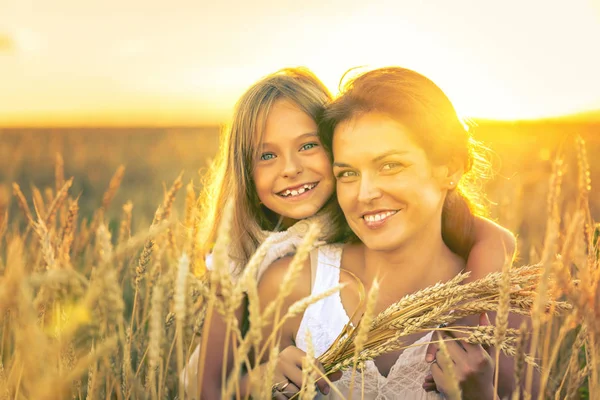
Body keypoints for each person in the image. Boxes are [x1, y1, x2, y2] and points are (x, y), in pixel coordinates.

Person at [186, 67, 516, 398]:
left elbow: (496, 237)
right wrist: (258, 382)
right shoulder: (252, 265)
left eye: (389, 165)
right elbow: (209, 390)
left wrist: (470, 320)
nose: (290, 169)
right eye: (267, 155)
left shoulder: (495, 285)